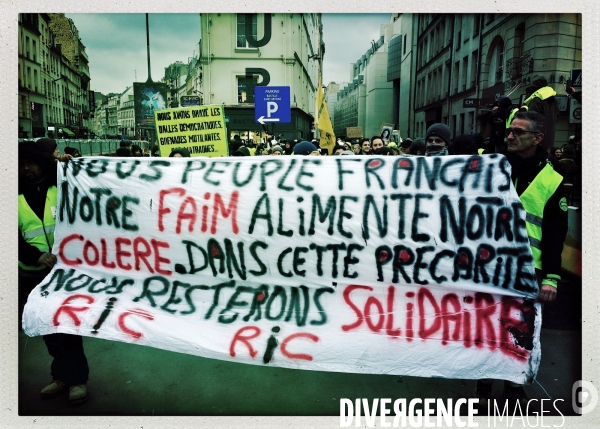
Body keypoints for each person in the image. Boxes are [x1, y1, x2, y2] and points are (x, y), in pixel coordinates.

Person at [476, 110, 568, 407]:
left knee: (522, 331)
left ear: (537, 138)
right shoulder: (492, 167)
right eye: (509, 131)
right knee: (487, 326)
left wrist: (552, 277)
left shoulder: (552, 180)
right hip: (490, 265)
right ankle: (485, 385)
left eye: (518, 132)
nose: (511, 136)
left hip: (530, 271)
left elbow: (556, 234)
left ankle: (514, 385)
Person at [19, 141, 89, 405]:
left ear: (43, 163)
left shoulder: (60, 187)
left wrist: (72, 168)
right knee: (47, 329)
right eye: (22, 164)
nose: (27, 169)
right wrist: (34, 256)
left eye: (32, 163)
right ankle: (60, 377)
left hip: (66, 273)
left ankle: (78, 380)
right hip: (33, 275)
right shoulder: (10, 195)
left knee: (69, 328)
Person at [522, 76, 558, 151]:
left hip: (536, 139)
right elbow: (557, 118)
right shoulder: (554, 100)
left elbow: (531, 120)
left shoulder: (536, 100)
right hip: (549, 139)